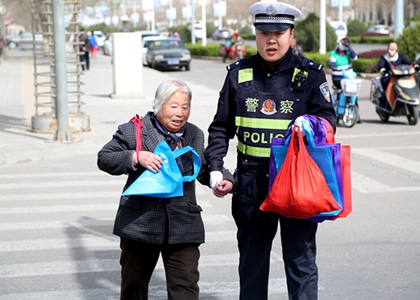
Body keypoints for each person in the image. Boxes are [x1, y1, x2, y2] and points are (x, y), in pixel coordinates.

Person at [204, 1, 336, 300]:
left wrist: (311, 123)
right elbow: (220, 127)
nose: (271, 40)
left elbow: (329, 121)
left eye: (278, 32)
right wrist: (215, 168)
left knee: (301, 265)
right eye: (264, 33)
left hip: (296, 183)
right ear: (255, 33)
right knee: (251, 266)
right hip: (251, 185)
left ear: (291, 34)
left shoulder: (310, 75)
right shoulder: (239, 74)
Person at [97, 79, 234, 300]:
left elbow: (204, 166)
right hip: (140, 223)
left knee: (186, 288)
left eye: (185, 107)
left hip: (183, 223)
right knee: (134, 287)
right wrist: (135, 156)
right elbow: (104, 158)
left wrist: (224, 180)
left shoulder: (194, 134)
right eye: (173, 106)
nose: (180, 113)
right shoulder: (135, 131)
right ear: (159, 105)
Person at [329, 37, 361, 122]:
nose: (342, 45)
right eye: (341, 43)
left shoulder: (348, 53)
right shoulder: (334, 53)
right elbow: (332, 61)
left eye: (344, 44)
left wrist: (349, 48)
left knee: (353, 92)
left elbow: (355, 58)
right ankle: (339, 112)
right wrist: (332, 64)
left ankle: (355, 113)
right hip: (338, 78)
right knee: (343, 91)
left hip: (348, 78)